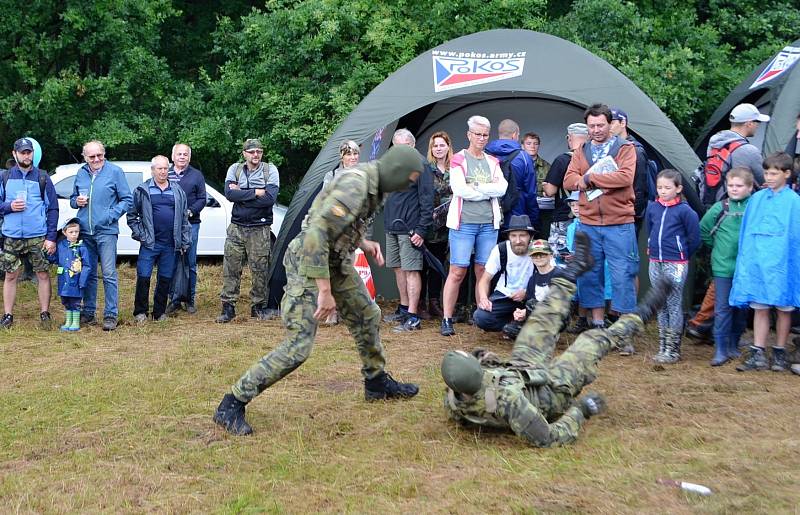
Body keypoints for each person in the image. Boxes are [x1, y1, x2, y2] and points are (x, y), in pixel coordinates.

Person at [213, 145, 424, 436]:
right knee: (298, 346)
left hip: (335, 259)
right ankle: (232, 402)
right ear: (399, 172)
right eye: (410, 177)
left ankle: (376, 381)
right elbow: (316, 234)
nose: (411, 183)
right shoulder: (357, 184)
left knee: (367, 314)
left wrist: (363, 243)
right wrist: (324, 291)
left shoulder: (378, 185)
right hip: (310, 259)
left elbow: (346, 222)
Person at [440, 232, 672, 447]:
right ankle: (643, 314)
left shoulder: (454, 398)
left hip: (521, 370)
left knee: (540, 319)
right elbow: (548, 437)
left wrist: (485, 358)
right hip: (552, 389)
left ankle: (572, 271)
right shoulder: (508, 402)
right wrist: (581, 410)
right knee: (591, 340)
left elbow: (469, 396)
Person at [563, 104, 639, 337]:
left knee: (622, 275)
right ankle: (596, 325)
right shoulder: (581, 150)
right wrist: (582, 180)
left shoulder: (625, 148)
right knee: (589, 274)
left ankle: (624, 330)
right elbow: (568, 180)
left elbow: (625, 177)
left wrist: (590, 178)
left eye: (600, 125)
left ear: (610, 124)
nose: (596, 130)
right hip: (588, 222)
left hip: (619, 222)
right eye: (592, 126)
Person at [731, 152, 800, 372]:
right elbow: (747, 233)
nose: (768, 177)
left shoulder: (794, 202)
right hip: (758, 264)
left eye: (773, 173)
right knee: (760, 307)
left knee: (783, 309)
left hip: (782, 266)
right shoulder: (757, 199)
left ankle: (779, 351)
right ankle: (758, 351)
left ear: (787, 174)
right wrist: (747, 262)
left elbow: (795, 237)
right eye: (767, 173)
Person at [440, 115, 508, 336]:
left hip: (489, 223)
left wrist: (477, 185)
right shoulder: (458, 159)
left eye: (485, 135)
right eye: (477, 134)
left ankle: (482, 316)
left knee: (483, 270)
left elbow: (502, 188)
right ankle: (447, 318)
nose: (481, 138)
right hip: (464, 223)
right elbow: (460, 189)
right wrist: (487, 188)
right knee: (457, 270)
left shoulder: (493, 161)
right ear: (469, 134)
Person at [70, 140, 133, 331]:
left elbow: (127, 199)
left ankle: (110, 315)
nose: (97, 159)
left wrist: (110, 215)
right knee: (87, 273)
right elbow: (73, 199)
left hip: (106, 232)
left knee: (108, 274)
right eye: (92, 156)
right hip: (85, 232)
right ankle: (88, 312)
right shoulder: (81, 173)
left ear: (104, 154)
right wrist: (76, 201)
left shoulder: (115, 172)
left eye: (100, 155)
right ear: (85, 157)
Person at [217, 138, 280, 323]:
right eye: (252, 152)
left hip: (259, 229)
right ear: (244, 153)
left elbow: (269, 199)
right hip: (236, 228)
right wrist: (255, 192)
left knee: (260, 269)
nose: (256, 155)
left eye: (259, 151)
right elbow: (229, 195)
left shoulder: (270, 170)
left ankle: (258, 307)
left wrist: (241, 193)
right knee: (231, 268)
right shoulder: (234, 169)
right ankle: (228, 308)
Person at [0, 138, 59, 329]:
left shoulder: (42, 177)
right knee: (11, 275)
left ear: (33, 154)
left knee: (42, 274)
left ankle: (45, 313)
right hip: (12, 235)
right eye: (23, 152)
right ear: (14, 154)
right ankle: (8, 315)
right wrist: (9, 206)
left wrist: (51, 237)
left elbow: (53, 209)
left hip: (37, 236)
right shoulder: (5, 177)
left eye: (29, 152)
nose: (26, 155)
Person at [645, 169, 700, 363]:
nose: (663, 191)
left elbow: (694, 238)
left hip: (675, 262)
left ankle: (673, 349)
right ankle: (662, 346)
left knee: (674, 303)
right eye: (660, 187)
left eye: (667, 187)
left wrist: (681, 254)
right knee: (660, 303)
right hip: (655, 262)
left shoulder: (685, 211)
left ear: (678, 188)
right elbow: (650, 229)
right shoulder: (653, 208)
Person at [700, 167, 753, 366]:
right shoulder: (719, 208)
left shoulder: (753, 207)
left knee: (741, 308)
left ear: (749, 187)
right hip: (723, 268)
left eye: (739, 186)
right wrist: (717, 250)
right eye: (730, 185)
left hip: (746, 269)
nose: (734, 189)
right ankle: (720, 349)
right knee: (722, 309)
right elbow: (704, 230)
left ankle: (733, 344)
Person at [128, 156, 191, 322]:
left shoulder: (177, 191)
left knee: (165, 278)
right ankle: (140, 312)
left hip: (171, 244)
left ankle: (159, 312)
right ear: (153, 170)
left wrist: (184, 240)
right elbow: (132, 216)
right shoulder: (142, 190)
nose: (163, 172)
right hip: (150, 243)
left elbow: (184, 218)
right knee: (143, 277)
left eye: (165, 168)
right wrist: (141, 235)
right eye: (159, 169)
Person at [382, 129, 433, 332]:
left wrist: (421, 229)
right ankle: (403, 309)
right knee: (398, 267)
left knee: (411, 269)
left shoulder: (421, 165)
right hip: (391, 226)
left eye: (403, 147)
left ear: (412, 145)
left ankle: (413, 317)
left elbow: (427, 199)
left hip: (410, 228)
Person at [472, 215, 535, 332]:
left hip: (531, 298)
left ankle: (519, 326)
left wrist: (527, 293)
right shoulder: (500, 249)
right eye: (513, 236)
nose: (518, 241)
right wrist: (484, 298)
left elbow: (550, 282)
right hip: (504, 295)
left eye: (522, 235)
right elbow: (484, 280)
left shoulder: (538, 250)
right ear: (508, 237)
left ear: (530, 237)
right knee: (480, 317)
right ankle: (511, 325)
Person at [166, 143, 206, 315]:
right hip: (168, 225)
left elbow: (202, 199)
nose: (182, 157)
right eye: (179, 154)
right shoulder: (164, 173)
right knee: (171, 263)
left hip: (191, 225)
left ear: (189, 157)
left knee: (190, 263)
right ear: (173, 156)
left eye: (185, 154)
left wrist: (190, 211)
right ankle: (173, 299)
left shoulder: (196, 175)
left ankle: (189, 299)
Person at [703, 103, 768, 206]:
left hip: (713, 199)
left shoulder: (714, 141)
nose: (758, 125)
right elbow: (764, 180)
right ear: (749, 123)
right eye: (757, 121)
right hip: (738, 206)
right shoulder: (749, 151)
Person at [543, 123, 589, 257]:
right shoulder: (592, 159)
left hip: (563, 217)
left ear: (569, 138)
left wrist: (545, 185)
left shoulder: (562, 160)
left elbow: (550, 191)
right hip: (589, 218)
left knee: (561, 259)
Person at [486, 119, 538, 231]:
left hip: (489, 216)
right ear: (515, 135)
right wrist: (534, 220)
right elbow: (531, 193)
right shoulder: (524, 157)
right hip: (517, 217)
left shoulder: (485, 154)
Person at [501, 239, 559, 341]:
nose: (539, 258)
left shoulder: (559, 275)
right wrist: (522, 313)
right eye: (535, 255)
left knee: (532, 304)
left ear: (550, 256)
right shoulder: (533, 279)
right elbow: (529, 302)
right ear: (531, 258)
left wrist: (529, 310)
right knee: (509, 329)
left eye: (543, 254)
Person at [422, 131, 453, 319]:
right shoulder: (426, 169)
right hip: (429, 226)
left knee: (439, 265)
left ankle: (435, 301)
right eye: (435, 146)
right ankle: (421, 303)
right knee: (424, 265)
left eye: (442, 145)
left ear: (448, 146)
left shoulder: (456, 168)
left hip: (449, 227)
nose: (439, 149)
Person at [609, 108, 650, 236]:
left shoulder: (635, 150)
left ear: (623, 123)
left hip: (628, 215)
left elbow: (639, 186)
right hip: (612, 212)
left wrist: (634, 214)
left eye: (612, 122)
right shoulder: (609, 148)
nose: (608, 126)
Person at [48, 217, 92, 331]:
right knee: (66, 301)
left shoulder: (82, 247)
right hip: (64, 279)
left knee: (75, 301)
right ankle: (68, 320)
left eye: (76, 232)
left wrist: (82, 280)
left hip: (76, 280)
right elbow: (56, 259)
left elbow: (87, 265)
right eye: (71, 232)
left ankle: (75, 321)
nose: (74, 234)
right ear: (64, 232)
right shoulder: (61, 245)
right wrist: (48, 254)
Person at [522, 132, 552, 237]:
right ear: (522, 146)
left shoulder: (547, 166)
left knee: (543, 238)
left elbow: (552, 189)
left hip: (542, 210)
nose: (532, 146)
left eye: (535, 143)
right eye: (529, 143)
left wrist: (548, 193)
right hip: (523, 209)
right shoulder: (517, 164)